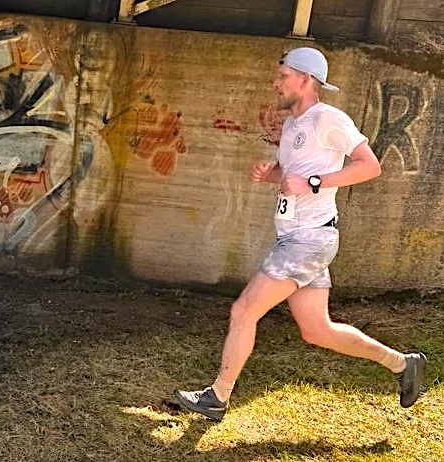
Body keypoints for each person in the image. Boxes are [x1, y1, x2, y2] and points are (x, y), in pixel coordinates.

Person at [171, 47, 427, 422]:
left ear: (305, 80)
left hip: (307, 240)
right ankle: (403, 364)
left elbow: (369, 166)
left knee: (243, 310)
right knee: (317, 330)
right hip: (300, 238)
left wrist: (313, 183)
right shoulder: (293, 125)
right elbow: (293, 176)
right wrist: (272, 175)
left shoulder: (328, 119)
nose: (276, 84)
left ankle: (218, 397)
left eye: (283, 77)